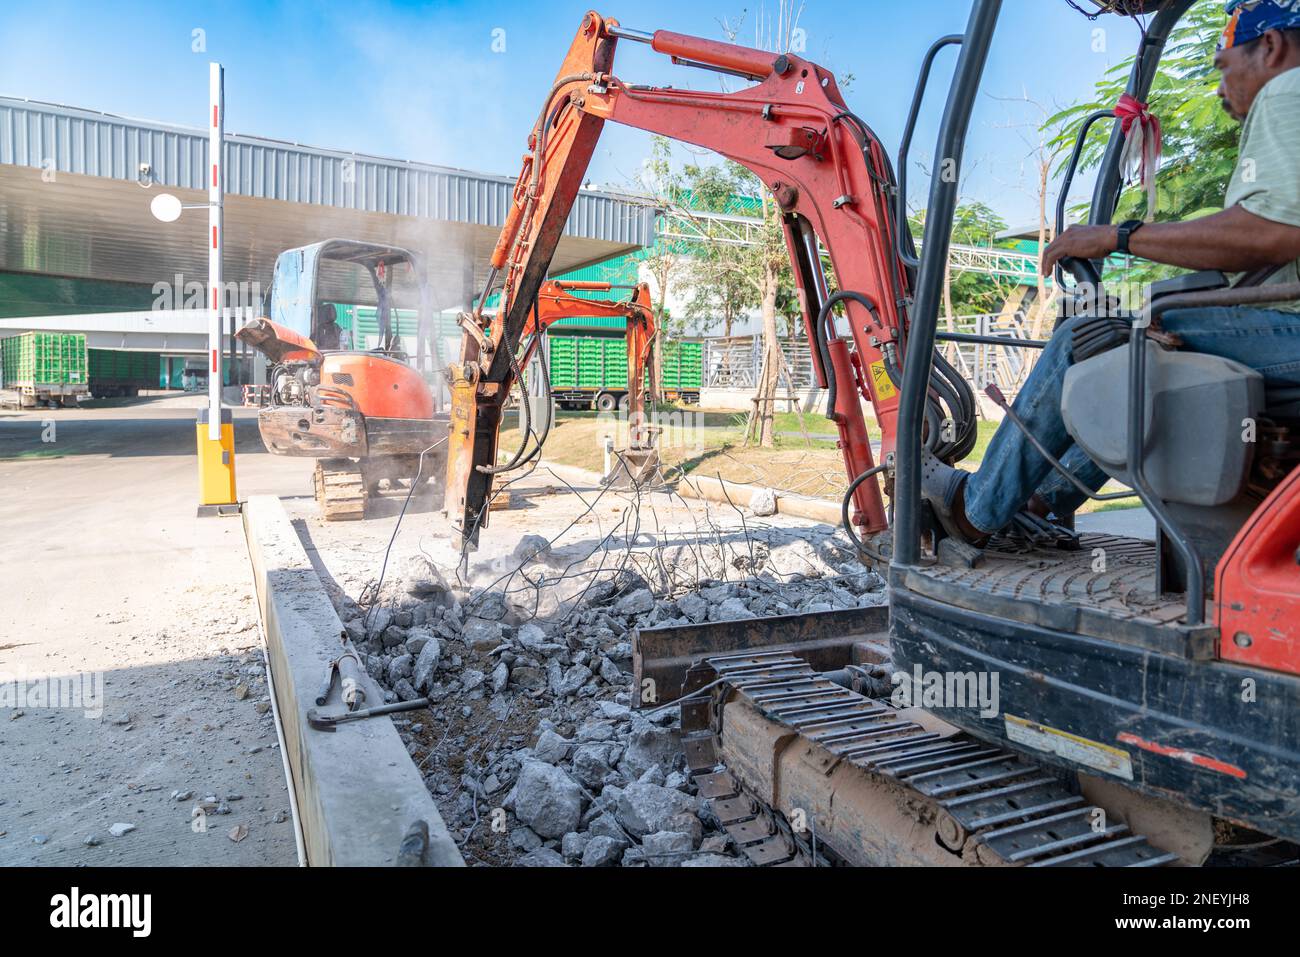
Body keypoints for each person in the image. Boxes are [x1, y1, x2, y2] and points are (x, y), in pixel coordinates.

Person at [924, 0, 1300, 546]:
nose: (1220, 91)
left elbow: (1271, 232)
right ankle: (1042, 501)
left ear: (1270, 47)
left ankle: (976, 512)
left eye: (1222, 66)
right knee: (1139, 349)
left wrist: (1118, 236)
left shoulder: (1287, 89)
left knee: (1087, 340)